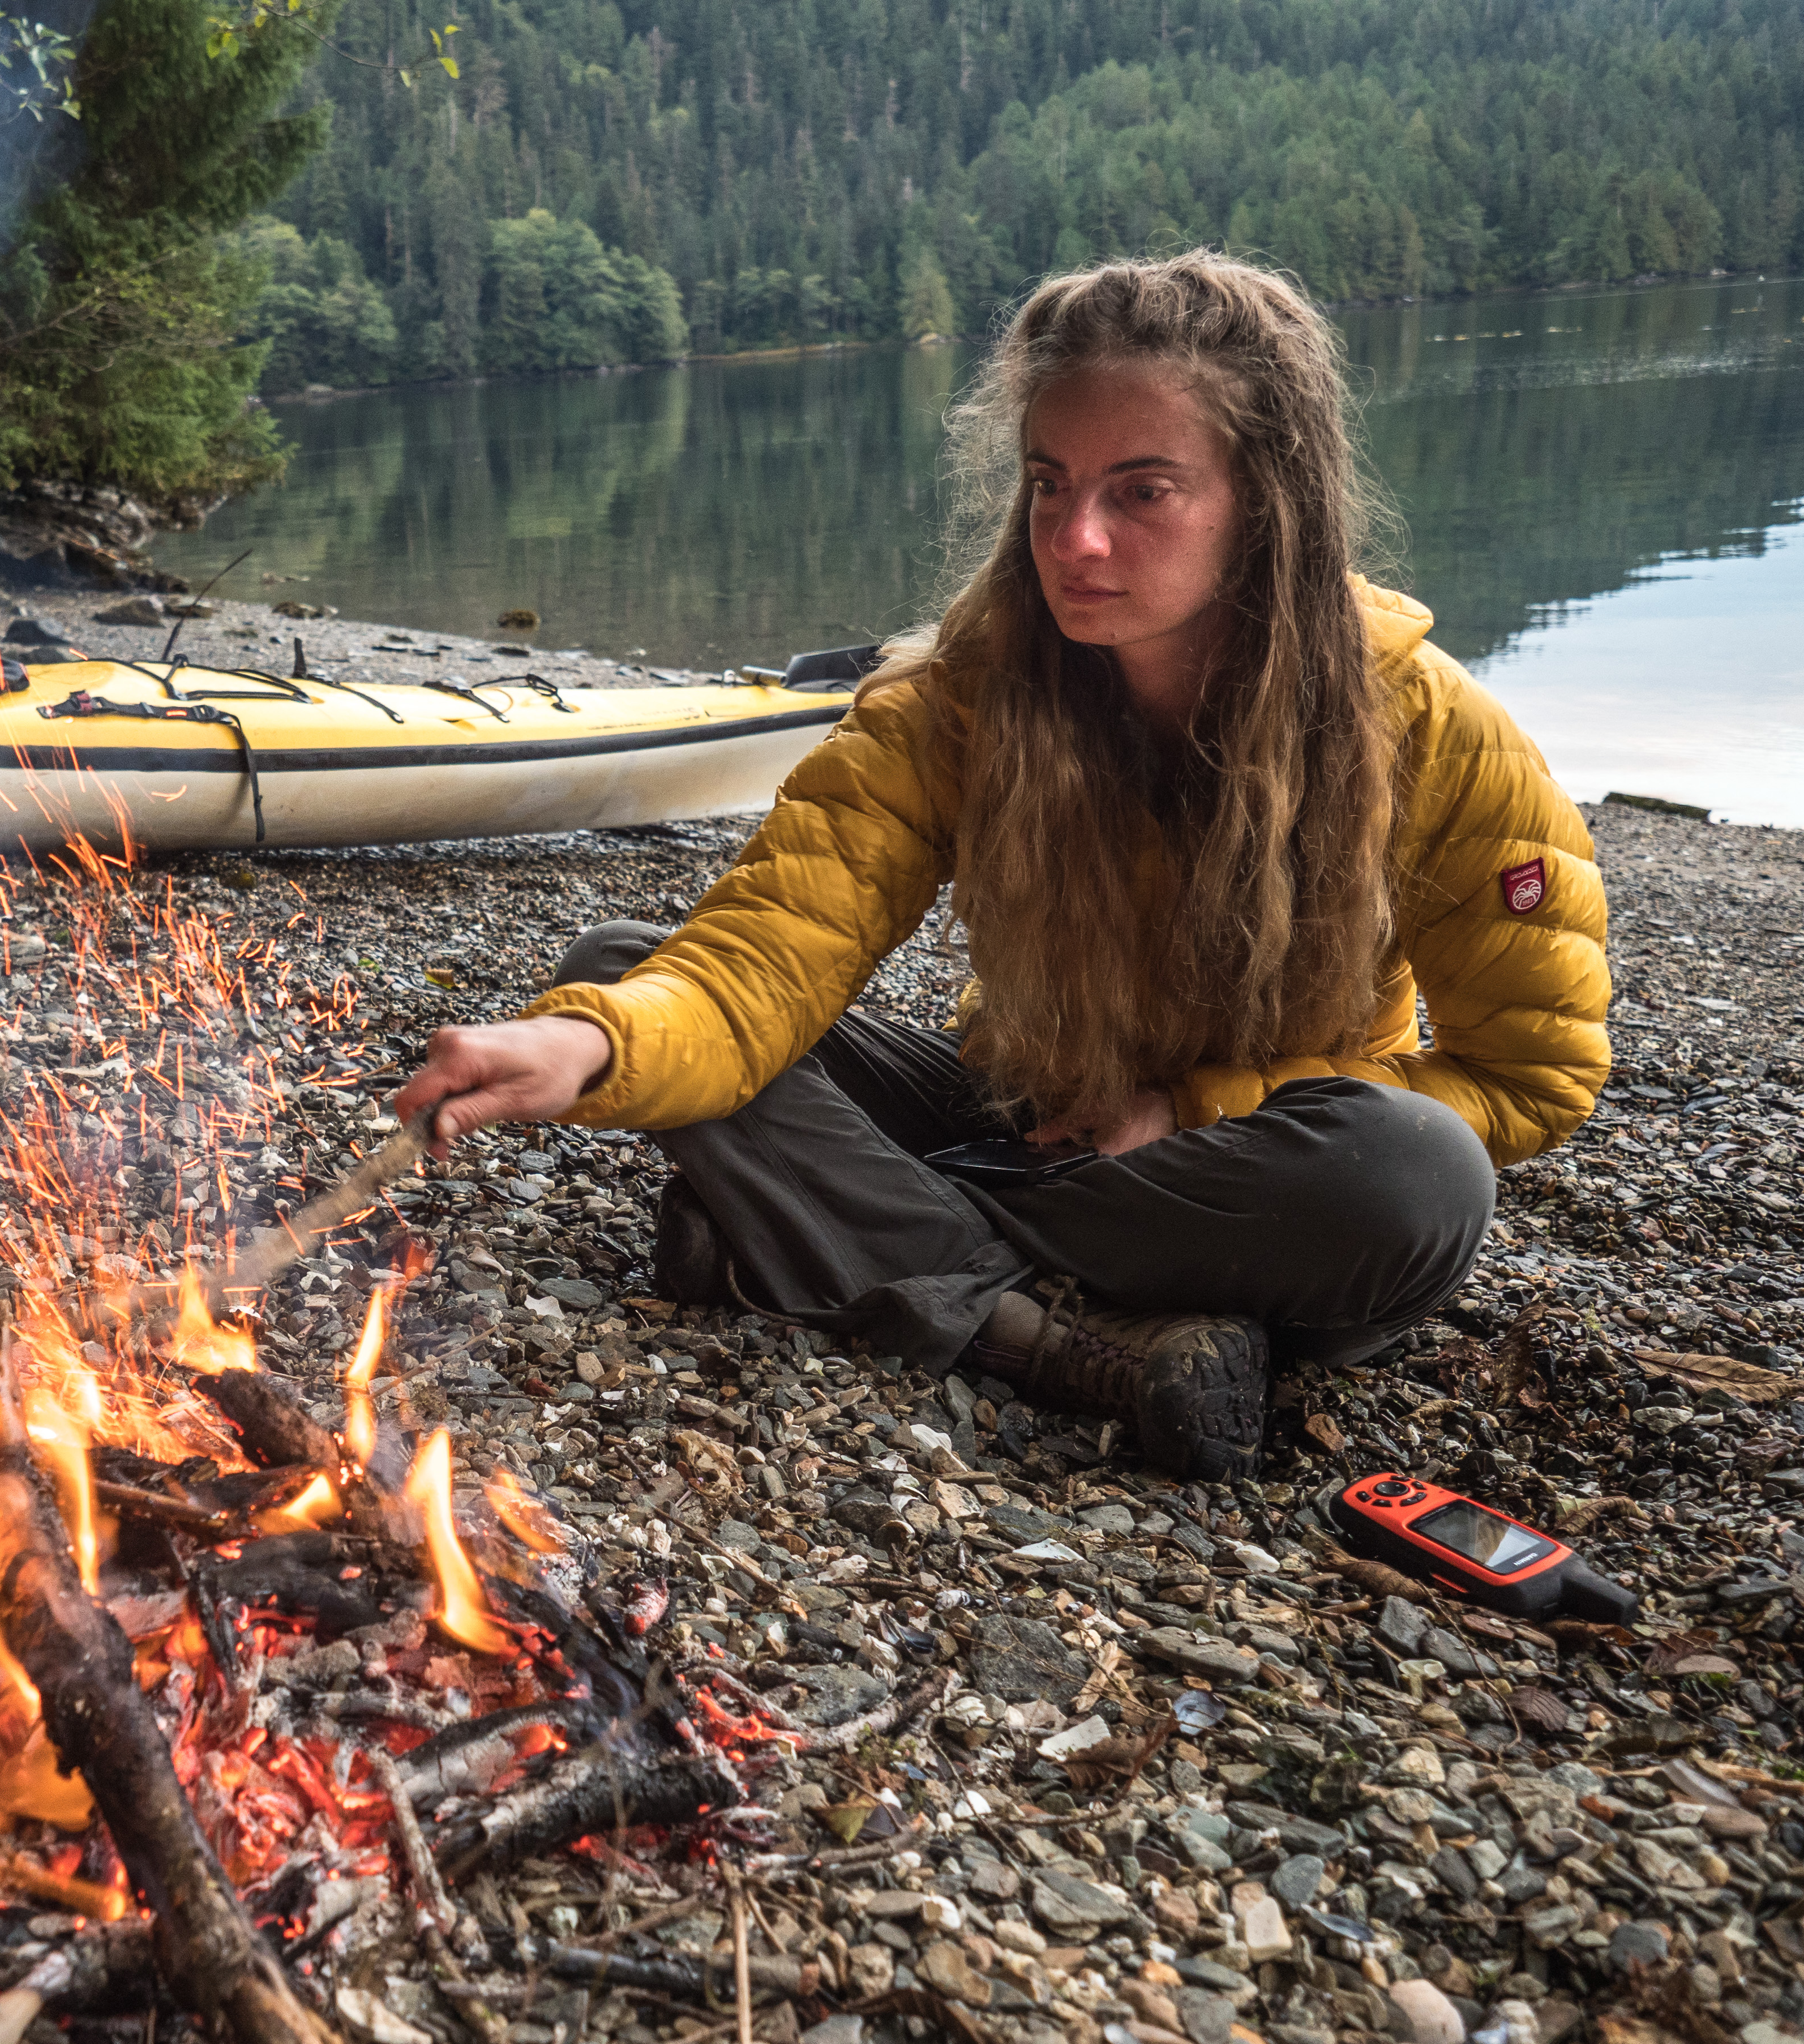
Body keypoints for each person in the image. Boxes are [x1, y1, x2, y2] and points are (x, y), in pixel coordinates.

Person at [388, 251, 1608, 1484]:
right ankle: (1049, 1332)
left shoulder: (1427, 728)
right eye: (1049, 485)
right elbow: (774, 946)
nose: (1075, 540)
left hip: (1241, 1180)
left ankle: (836, 1236)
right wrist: (591, 1049)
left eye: (1143, 493)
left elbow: (1532, 1074)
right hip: (1029, 1119)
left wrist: (1196, 1111)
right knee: (618, 975)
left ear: (1263, 499)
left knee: (1416, 1177)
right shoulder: (960, 700)